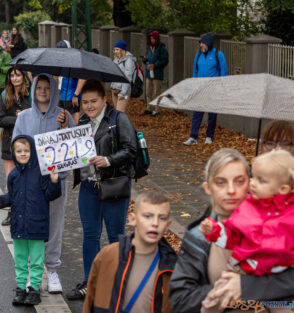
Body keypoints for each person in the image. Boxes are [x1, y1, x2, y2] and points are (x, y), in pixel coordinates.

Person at [169, 148, 294, 313]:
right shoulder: (198, 236)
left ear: (250, 183)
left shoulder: (280, 224)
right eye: (220, 182)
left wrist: (246, 286)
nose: (231, 190)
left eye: (239, 181)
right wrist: (225, 292)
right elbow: (180, 300)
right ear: (208, 188)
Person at [66, 78, 137, 300]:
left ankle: (119, 282)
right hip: (89, 186)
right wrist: (64, 131)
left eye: (93, 101)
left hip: (113, 185)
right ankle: (91, 281)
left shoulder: (118, 118)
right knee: (90, 235)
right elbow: (75, 153)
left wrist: (108, 160)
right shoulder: (83, 121)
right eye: (85, 102)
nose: (88, 106)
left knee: (116, 237)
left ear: (104, 99)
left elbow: (131, 149)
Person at [12, 74, 75, 294]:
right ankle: (32, 270)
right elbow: (16, 145)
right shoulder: (24, 117)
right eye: (39, 87)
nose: (43, 91)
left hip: (56, 181)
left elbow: (72, 148)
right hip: (31, 183)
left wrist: (66, 126)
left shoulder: (63, 116)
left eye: (48, 88)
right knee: (32, 226)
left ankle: (52, 270)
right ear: (33, 90)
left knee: (55, 225)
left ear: (54, 91)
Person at [0, 135, 62, 306]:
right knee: (21, 260)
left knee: (37, 261)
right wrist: (2, 201)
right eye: (19, 151)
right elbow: (13, 197)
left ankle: (34, 289)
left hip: (37, 226)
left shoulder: (42, 172)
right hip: (19, 226)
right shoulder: (13, 175)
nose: (23, 154)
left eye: (26, 151)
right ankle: (21, 288)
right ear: (14, 153)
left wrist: (54, 180)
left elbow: (51, 195)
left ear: (33, 152)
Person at [83, 191, 177, 313]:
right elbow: (90, 301)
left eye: (162, 218)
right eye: (147, 216)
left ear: (168, 225)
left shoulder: (173, 267)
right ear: (132, 219)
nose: (155, 223)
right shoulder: (108, 256)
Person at [0, 68, 31, 226]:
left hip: (27, 143)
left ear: (23, 77)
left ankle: (26, 211)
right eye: (12, 75)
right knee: (11, 179)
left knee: (28, 179)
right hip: (9, 142)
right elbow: (0, 119)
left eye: (18, 74)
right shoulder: (4, 95)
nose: (15, 78)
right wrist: (17, 118)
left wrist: (24, 115)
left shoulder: (30, 95)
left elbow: (35, 116)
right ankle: (11, 212)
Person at [183, 33, 228, 146]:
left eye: (203, 43)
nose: (201, 45)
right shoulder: (198, 55)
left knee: (212, 115)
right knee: (197, 113)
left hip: (213, 89)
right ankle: (193, 137)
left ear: (208, 43)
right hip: (200, 89)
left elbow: (224, 72)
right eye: (201, 43)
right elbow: (195, 71)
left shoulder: (219, 55)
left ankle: (209, 136)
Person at [56, 40, 85, 125]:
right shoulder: (61, 61)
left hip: (71, 97)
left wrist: (76, 95)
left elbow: (82, 77)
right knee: (63, 122)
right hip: (63, 96)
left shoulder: (74, 62)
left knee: (74, 122)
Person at [141, 30, 169, 117]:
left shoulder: (162, 48)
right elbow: (149, 59)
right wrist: (145, 61)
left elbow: (165, 60)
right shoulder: (149, 48)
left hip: (157, 73)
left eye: (153, 38)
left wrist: (155, 65)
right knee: (148, 92)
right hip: (149, 72)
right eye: (151, 38)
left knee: (157, 92)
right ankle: (149, 108)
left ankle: (157, 110)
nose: (152, 40)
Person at [110, 40, 135, 112]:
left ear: (122, 50)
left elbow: (128, 77)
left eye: (117, 49)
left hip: (123, 91)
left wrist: (123, 93)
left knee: (119, 113)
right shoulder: (116, 59)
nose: (115, 51)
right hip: (114, 89)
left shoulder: (129, 60)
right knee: (116, 114)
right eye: (114, 49)